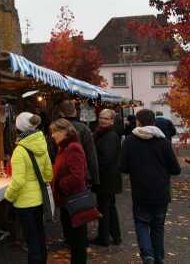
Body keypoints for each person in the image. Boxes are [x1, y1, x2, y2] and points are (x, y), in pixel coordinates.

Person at [120, 109, 181, 264]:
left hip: (140, 191)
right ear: (154, 122)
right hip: (160, 192)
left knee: (141, 223)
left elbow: (123, 167)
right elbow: (176, 169)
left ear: (138, 122)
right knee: (158, 227)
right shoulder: (163, 142)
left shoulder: (129, 141)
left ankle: (147, 255)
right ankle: (158, 257)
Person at [5, 112, 53, 264]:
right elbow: (48, 174)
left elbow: (18, 182)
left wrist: (8, 197)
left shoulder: (20, 150)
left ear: (18, 128)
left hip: (24, 202)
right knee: (39, 235)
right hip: (39, 198)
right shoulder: (42, 144)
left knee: (31, 238)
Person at [50, 119, 89, 264]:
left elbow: (78, 176)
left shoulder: (72, 147)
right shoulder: (64, 147)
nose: (52, 135)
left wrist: (60, 185)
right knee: (74, 240)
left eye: (55, 131)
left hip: (74, 200)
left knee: (78, 241)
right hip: (68, 200)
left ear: (65, 131)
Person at [92, 109, 122, 247]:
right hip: (109, 178)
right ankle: (115, 236)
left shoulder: (109, 135)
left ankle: (104, 238)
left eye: (106, 118)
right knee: (109, 207)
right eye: (101, 117)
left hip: (106, 178)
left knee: (104, 208)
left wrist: (94, 165)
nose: (102, 120)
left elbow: (106, 158)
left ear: (112, 120)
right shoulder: (104, 134)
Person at [57, 100, 99, 187]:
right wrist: (95, 179)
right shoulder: (84, 129)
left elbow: (51, 153)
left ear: (61, 113)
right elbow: (91, 155)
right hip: (81, 174)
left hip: (61, 174)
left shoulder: (54, 129)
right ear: (75, 111)